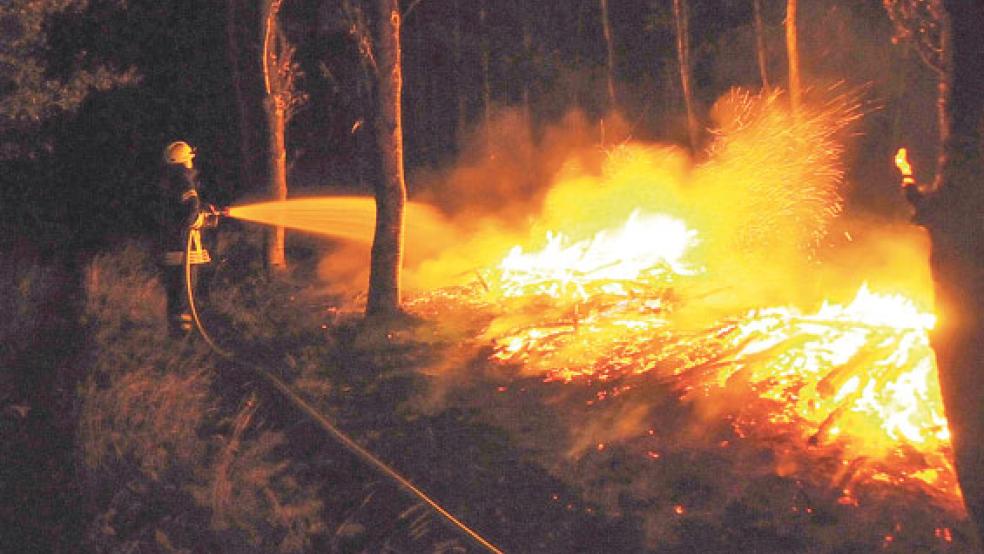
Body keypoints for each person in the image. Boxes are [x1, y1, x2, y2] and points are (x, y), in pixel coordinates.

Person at [158, 140, 220, 336]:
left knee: (176, 298)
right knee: (186, 297)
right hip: (185, 251)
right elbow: (190, 212)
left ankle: (176, 334)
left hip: (173, 248)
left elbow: (177, 211)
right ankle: (183, 337)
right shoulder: (184, 181)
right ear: (185, 160)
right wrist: (202, 219)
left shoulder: (170, 183)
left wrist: (205, 210)